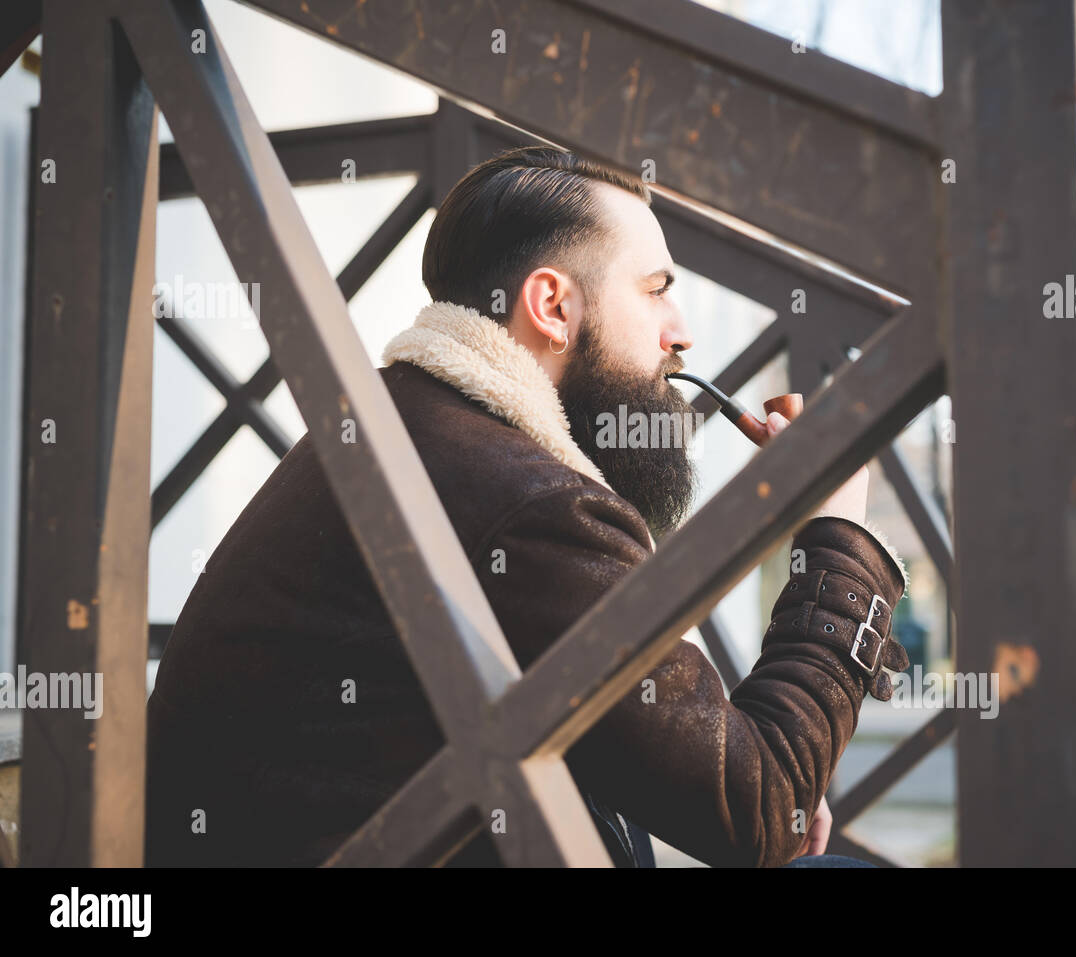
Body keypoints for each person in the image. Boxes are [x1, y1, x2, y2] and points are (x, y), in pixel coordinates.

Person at [144, 146, 909, 868]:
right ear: (551, 305)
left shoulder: (410, 429)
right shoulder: (530, 504)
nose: (683, 335)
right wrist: (839, 540)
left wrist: (758, 778)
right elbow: (757, 810)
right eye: (656, 290)